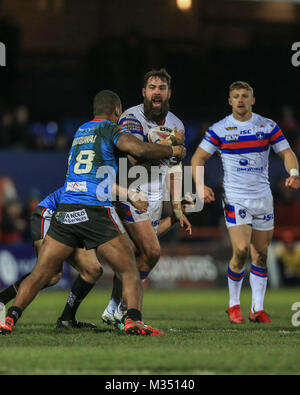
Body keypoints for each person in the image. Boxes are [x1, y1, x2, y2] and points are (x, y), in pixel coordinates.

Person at [0, 89, 185, 335]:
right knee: (129, 268)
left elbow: (119, 163)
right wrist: (171, 151)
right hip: (94, 208)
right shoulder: (110, 129)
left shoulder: (80, 132)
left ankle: (9, 319)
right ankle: (133, 321)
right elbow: (138, 150)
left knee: (43, 273)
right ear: (117, 111)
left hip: (66, 209)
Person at [191, 81, 300, 324]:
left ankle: (257, 309)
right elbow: (198, 158)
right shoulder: (220, 129)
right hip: (235, 197)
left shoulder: (267, 125)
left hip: (263, 198)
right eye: (236, 96)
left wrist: (293, 174)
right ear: (230, 101)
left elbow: (287, 152)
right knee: (240, 251)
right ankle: (233, 306)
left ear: (253, 100)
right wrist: (200, 186)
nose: (240, 100)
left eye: (245, 96)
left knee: (260, 255)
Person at [101, 68, 191, 326]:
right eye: (152, 87)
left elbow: (175, 166)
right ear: (144, 92)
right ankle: (127, 311)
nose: (156, 92)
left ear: (168, 93)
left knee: (136, 254)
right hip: (131, 193)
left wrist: (176, 206)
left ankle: (113, 309)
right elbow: (134, 156)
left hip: (155, 196)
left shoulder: (177, 124)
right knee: (150, 252)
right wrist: (170, 145)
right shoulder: (130, 117)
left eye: (161, 88)